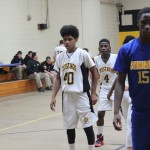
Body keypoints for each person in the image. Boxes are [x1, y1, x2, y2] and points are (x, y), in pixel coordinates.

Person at [50, 25, 98, 150]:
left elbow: (95, 73)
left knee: (87, 125)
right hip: (67, 96)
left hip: (82, 95)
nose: (66, 42)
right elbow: (58, 79)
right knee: (69, 127)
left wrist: (93, 93)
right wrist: (53, 96)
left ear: (76, 39)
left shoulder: (83, 54)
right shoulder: (60, 57)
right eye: (65, 39)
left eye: (69, 39)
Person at [113, 7, 150, 150]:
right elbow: (120, 82)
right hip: (139, 112)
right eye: (143, 23)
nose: (147, 26)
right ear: (137, 24)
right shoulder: (127, 49)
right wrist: (116, 111)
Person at [108, 35, 135, 150]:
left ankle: (130, 144)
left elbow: (118, 78)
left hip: (129, 93)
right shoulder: (127, 55)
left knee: (129, 121)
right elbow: (118, 80)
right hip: (125, 93)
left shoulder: (125, 55)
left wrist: (110, 93)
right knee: (129, 121)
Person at [94, 39, 117, 147]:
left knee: (125, 113)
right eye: (101, 46)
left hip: (117, 88)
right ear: (99, 48)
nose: (103, 47)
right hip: (104, 88)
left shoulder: (116, 57)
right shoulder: (95, 59)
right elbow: (92, 74)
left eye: (105, 46)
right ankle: (99, 136)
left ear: (109, 48)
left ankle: (132, 135)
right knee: (100, 114)